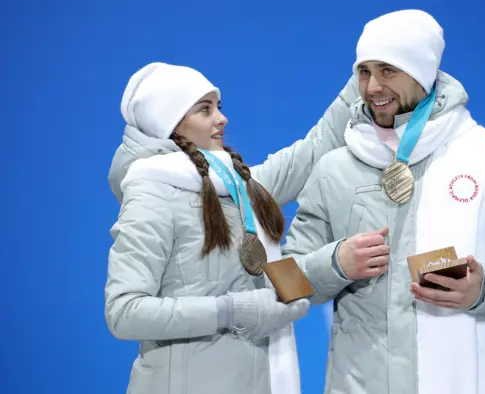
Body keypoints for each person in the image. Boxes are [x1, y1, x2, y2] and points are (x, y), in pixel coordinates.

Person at [283, 9, 485, 394]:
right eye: (364, 72)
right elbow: (284, 281)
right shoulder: (333, 167)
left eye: (388, 71)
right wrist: (334, 264)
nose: (371, 87)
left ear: (421, 74)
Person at [104, 61, 359, 394]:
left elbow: (314, 149)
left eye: (218, 108)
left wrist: (366, 71)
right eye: (204, 110)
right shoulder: (150, 192)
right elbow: (124, 311)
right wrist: (230, 311)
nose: (221, 119)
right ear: (172, 123)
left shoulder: (238, 185)